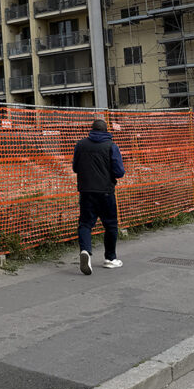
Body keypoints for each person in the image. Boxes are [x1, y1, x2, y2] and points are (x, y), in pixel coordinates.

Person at [73, 118, 126, 275]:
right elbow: (119, 172)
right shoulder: (111, 146)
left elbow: (75, 167)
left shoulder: (80, 145)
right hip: (106, 191)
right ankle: (110, 258)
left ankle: (85, 251)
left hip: (86, 191)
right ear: (106, 131)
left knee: (85, 224)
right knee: (110, 225)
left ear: (92, 130)